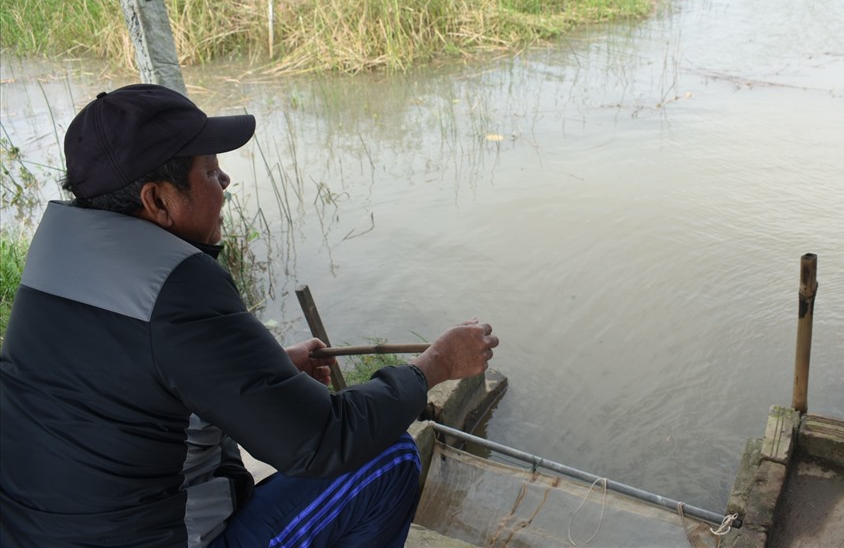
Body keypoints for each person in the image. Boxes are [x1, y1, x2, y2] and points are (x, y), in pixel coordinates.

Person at [0, 84, 499, 547]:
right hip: (156, 535)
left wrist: (269, 367)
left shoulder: (55, 265)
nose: (225, 180)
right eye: (210, 172)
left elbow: (131, 379)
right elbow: (324, 439)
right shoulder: (175, 284)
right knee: (387, 459)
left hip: (40, 531)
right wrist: (436, 365)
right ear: (157, 200)